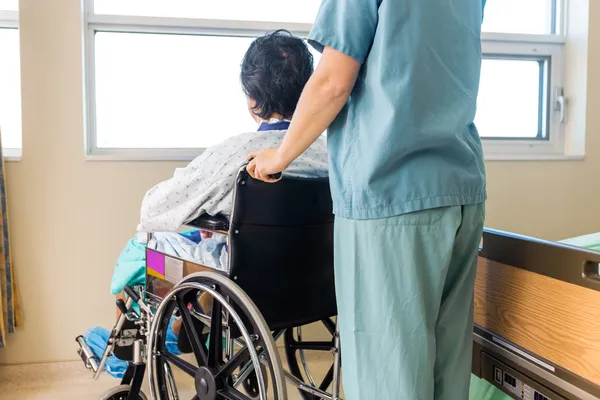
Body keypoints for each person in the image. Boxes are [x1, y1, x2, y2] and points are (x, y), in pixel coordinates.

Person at [247, 1, 488, 399]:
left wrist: (279, 156)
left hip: (390, 192)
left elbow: (332, 82)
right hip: (460, 187)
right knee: (446, 371)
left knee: (388, 378)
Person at [86, 30, 329, 378]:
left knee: (141, 247)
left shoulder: (236, 153)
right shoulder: (332, 155)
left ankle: (133, 353)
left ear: (251, 99)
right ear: (307, 91)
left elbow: (154, 210)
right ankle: (182, 326)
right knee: (201, 240)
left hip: (239, 277)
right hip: (311, 282)